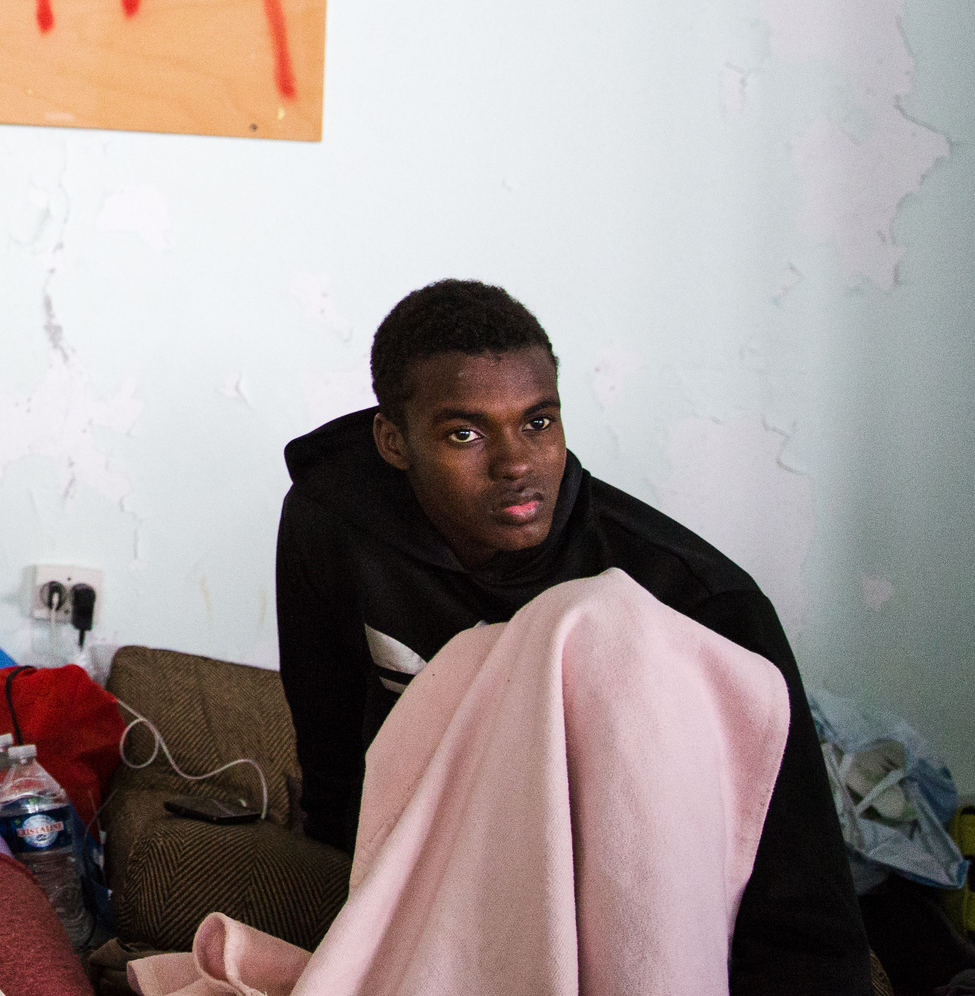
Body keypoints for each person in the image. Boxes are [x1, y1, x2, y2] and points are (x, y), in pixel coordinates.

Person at [275, 278, 870, 995]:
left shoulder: (695, 601)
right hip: (433, 881)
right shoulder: (332, 523)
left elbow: (803, 907)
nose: (516, 463)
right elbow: (335, 768)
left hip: (624, 904)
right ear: (394, 442)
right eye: (465, 432)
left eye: (539, 422)